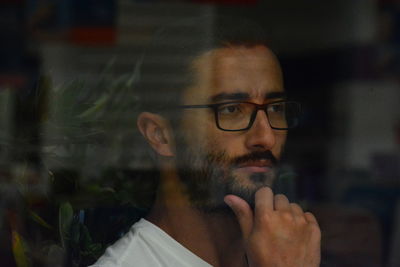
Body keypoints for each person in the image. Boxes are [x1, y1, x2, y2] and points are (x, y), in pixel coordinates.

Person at [90, 17, 321, 267]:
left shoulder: (294, 254)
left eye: (275, 108)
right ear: (159, 135)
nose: (265, 137)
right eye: (231, 110)